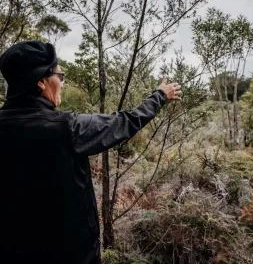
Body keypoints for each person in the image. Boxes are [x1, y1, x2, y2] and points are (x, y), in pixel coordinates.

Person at [0, 41, 181, 264]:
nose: (63, 84)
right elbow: (125, 122)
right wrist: (159, 96)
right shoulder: (67, 127)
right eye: (60, 76)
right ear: (41, 82)